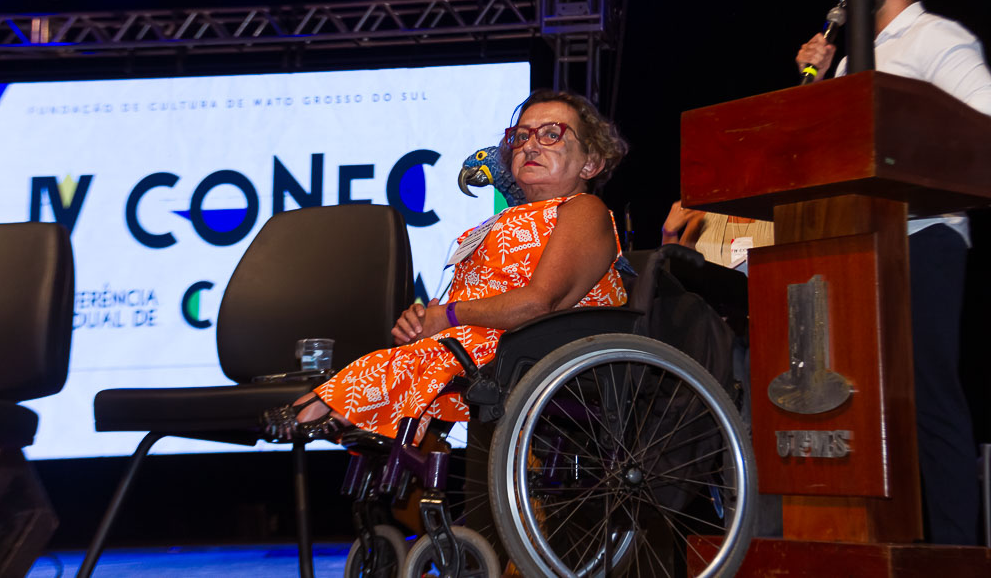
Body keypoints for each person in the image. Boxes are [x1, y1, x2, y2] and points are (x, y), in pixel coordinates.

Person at [261, 89, 629, 443]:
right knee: (414, 354)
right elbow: (471, 300)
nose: (529, 145)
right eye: (519, 137)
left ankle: (333, 408)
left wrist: (448, 316)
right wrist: (424, 318)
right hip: (487, 345)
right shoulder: (499, 222)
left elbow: (538, 303)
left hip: (546, 346)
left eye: (551, 135)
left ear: (591, 162)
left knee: (424, 359)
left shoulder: (582, 210)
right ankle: (363, 419)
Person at [796, 0, 991, 545]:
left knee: (928, 399)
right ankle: (875, 542)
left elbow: (980, 129)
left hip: (923, 235)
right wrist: (818, 79)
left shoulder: (938, 38)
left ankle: (958, 548)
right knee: (861, 406)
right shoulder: (852, 57)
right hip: (855, 243)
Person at [660, 200, 774, 274]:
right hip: (712, 308)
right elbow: (679, 274)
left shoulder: (780, 212)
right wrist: (669, 233)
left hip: (765, 303)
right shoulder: (702, 215)